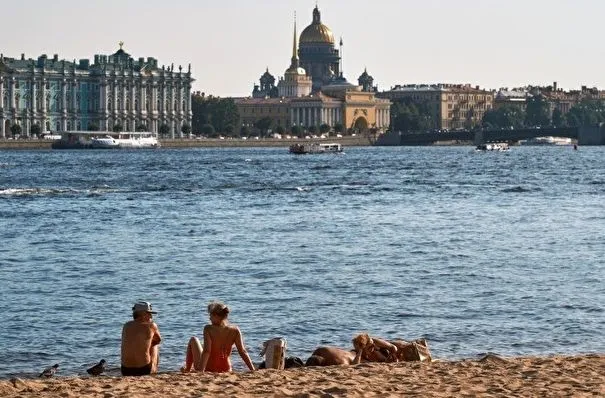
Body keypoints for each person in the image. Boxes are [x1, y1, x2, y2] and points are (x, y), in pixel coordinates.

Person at [181, 301, 255, 373]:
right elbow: (242, 351)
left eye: (210, 315)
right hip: (227, 369)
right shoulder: (235, 330)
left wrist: (201, 371)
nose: (209, 318)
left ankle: (187, 369)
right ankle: (252, 368)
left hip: (209, 368)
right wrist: (252, 369)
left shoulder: (208, 329)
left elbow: (207, 351)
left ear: (216, 316)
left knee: (193, 339)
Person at [121, 301, 162, 376]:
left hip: (125, 370)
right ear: (143, 314)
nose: (151, 317)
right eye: (149, 314)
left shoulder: (126, 325)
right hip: (143, 370)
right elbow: (159, 340)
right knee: (155, 345)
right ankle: (154, 370)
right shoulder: (151, 325)